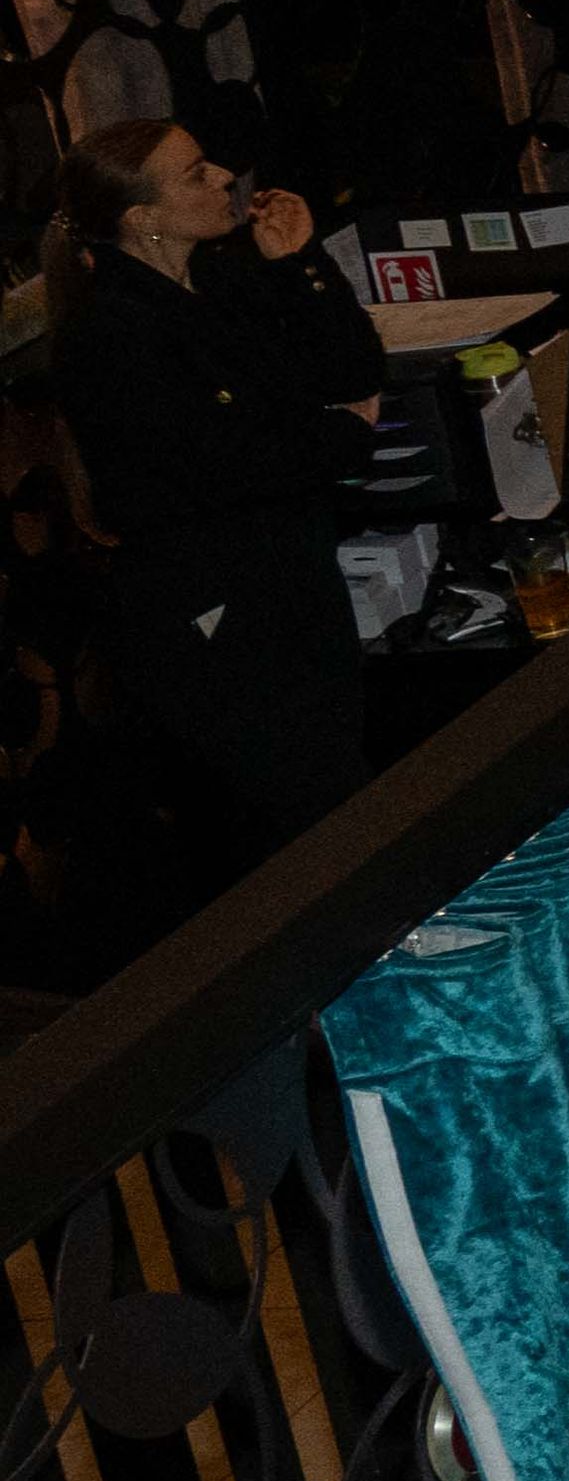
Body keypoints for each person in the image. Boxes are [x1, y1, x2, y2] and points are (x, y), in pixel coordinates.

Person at [44, 111, 393, 900]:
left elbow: (350, 368)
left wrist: (297, 264)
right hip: (217, 618)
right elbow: (227, 462)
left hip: (289, 578)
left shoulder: (223, 281)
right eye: (196, 173)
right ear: (142, 218)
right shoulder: (109, 336)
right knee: (309, 828)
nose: (224, 177)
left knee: (345, 798)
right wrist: (343, 437)